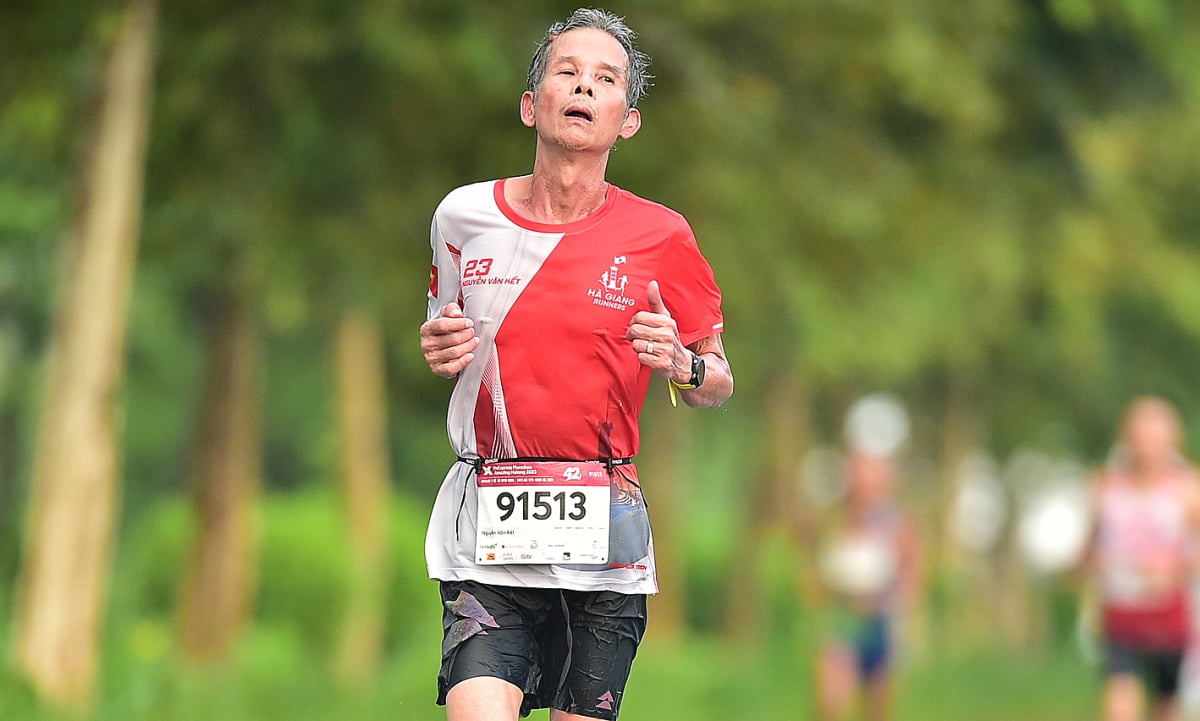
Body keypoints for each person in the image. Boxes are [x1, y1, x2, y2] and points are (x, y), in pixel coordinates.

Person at [418, 9, 734, 721]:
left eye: (605, 78)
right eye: (566, 71)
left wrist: (682, 363)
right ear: (533, 104)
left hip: (604, 539)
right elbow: (441, 331)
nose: (583, 86)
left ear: (628, 120)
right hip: (490, 535)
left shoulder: (662, 235)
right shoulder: (462, 218)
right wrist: (435, 348)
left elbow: (718, 377)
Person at [1087, 397, 1200, 721]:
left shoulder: (1188, 488)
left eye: (1155, 439)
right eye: (1139, 438)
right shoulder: (1105, 486)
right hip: (1121, 615)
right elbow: (1089, 546)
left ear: (1171, 441)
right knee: (1119, 707)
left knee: (1166, 707)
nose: (1146, 448)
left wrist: (1176, 567)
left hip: (1169, 617)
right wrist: (1090, 562)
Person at [813, 449, 920, 721]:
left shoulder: (896, 523)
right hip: (842, 622)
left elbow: (912, 569)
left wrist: (904, 603)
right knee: (831, 702)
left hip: (882, 623)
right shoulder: (834, 518)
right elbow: (815, 572)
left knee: (876, 709)